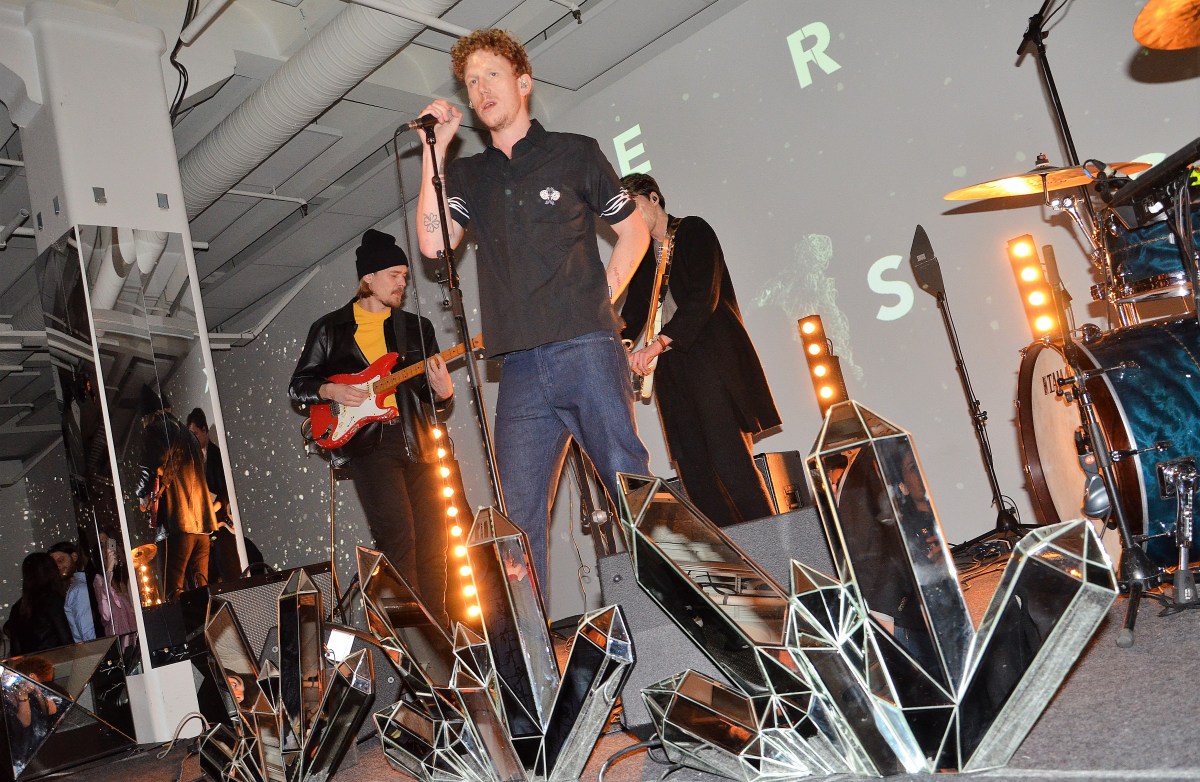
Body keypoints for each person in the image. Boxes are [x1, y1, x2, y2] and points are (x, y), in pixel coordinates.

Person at [414, 29, 651, 589]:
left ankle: (675, 612)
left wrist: (602, 295)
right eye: (471, 82)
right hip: (518, 369)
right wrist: (435, 152)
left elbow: (635, 232)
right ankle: (531, 644)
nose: (481, 89)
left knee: (629, 485)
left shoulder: (575, 152)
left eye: (491, 75)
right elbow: (433, 243)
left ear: (523, 82)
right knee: (515, 527)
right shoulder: (468, 175)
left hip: (586, 349)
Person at [289, 229, 454, 625]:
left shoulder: (417, 328)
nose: (402, 283)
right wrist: (330, 389)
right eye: (394, 275)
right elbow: (299, 387)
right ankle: (410, 634)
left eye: (405, 276)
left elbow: (429, 395)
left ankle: (439, 630)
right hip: (370, 447)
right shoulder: (330, 329)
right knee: (399, 538)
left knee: (435, 542)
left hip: (418, 440)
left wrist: (444, 393)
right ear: (368, 278)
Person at [621, 173, 781, 528]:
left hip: (709, 360)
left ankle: (772, 547)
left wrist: (657, 344)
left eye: (631, 206)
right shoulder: (641, 257)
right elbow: (631, 316)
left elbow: (703, 297)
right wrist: (612, 337)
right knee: (693, 470)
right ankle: (731, 554)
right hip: (671, 370)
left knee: (730, 461)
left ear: (653, 198)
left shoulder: (693, 230)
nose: (627, 218)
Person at [135, 387, 218, 601]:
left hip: (176, 526)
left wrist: (141, 494)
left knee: (173, 596)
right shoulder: (188, 434)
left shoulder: (154, 430)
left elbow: (147, 469)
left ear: (146, 417)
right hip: (202, 527)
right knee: (203, 595)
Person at [3, 553, 73, 655]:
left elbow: (16, 647)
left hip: (32, 662)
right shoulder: (52, 600)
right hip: (55, 659)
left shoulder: (19, 607)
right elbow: (65, 638)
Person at [47, 542, 96, 643]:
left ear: (74, 557)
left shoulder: (79, 588)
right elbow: (87, 635)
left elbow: (88, 634)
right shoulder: (77, 588)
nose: (58, 566)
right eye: (53, 564)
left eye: (60, 560)